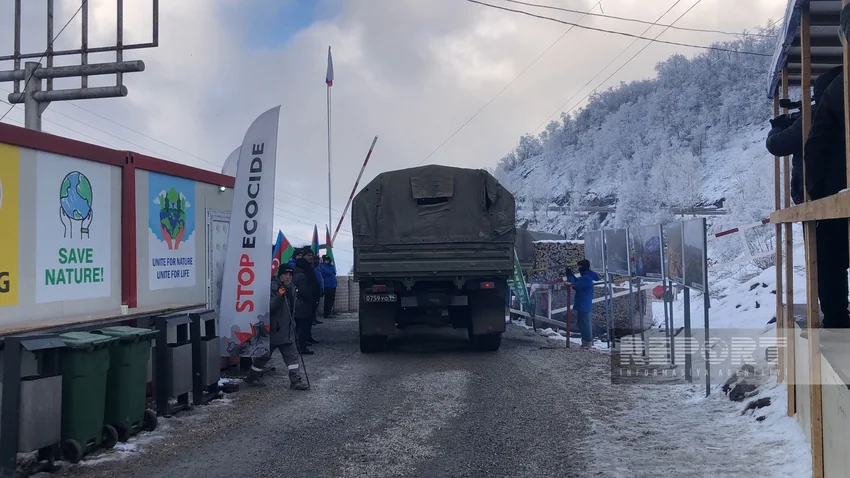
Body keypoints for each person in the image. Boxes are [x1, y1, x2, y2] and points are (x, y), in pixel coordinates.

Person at [803, 33, 849, 329]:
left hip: (830, 197)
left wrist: (816, 193)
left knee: (830, 264)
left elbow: (811, 151)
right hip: (834, 194)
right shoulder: (837, 94)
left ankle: (837, 321)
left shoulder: (826, 105)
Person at [765, 66, 841, 206]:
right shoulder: (839, 110)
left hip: (819, 190)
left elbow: (776, 144)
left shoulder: (818, 114)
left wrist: (776, 128)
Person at [245, 264, 309, 390]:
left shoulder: (292, 288)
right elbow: (270, 308)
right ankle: (252, 377)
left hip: (286, 331)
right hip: (273, 330)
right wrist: (279, 296)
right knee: (263, 356)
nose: (288, 277)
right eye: (285, 274)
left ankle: (295, 380)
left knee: (292, 356)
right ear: (280, 275)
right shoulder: (272, 287)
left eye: (290, 274)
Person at [565, 259, 600, 349]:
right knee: (581, 323)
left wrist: (570, 276)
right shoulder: (586, 276)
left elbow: (576, 285)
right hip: (583, 303)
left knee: (584, 323)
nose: (579, 268)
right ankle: (585, 341)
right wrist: (570, 274)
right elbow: (576, 282)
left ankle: (588, 341)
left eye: (580, 266)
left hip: (584, 304)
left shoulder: (586, 278)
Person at [293, 250, 320, 354]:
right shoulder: (302, 276)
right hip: (304, 304)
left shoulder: (296, 274)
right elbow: (304, 291)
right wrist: (310, 298)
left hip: (300, 304)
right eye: (308, 255)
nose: (310, 258)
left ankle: (301, 343)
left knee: (301, 326)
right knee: (303, 326)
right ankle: (301, 347)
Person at [313, 255, 325, 325]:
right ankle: (312, 319)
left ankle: (314, 318)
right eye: (315, 260)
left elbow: (321, 280)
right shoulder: (313, 269)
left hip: (319, 288)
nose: (317, 262)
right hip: (314, 288)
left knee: (316, 304)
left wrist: (322, 288)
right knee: (314, 305)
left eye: (318, 260)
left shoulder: (318, 269)